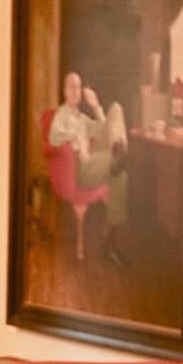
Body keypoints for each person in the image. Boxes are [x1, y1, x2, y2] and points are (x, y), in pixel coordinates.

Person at [47, 70, 129, 256]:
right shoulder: (62, 114)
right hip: (81, 169)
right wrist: (74, 135)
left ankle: (112, 242)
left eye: (79, 86)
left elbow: (102, 131)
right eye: (71, 86)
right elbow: (52, 138)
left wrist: (96, 106)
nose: (76, 90)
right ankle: (119, 156)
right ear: (65, 91)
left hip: (93, 160)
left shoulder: (82, 118)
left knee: (115, 108)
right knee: (119, 168)